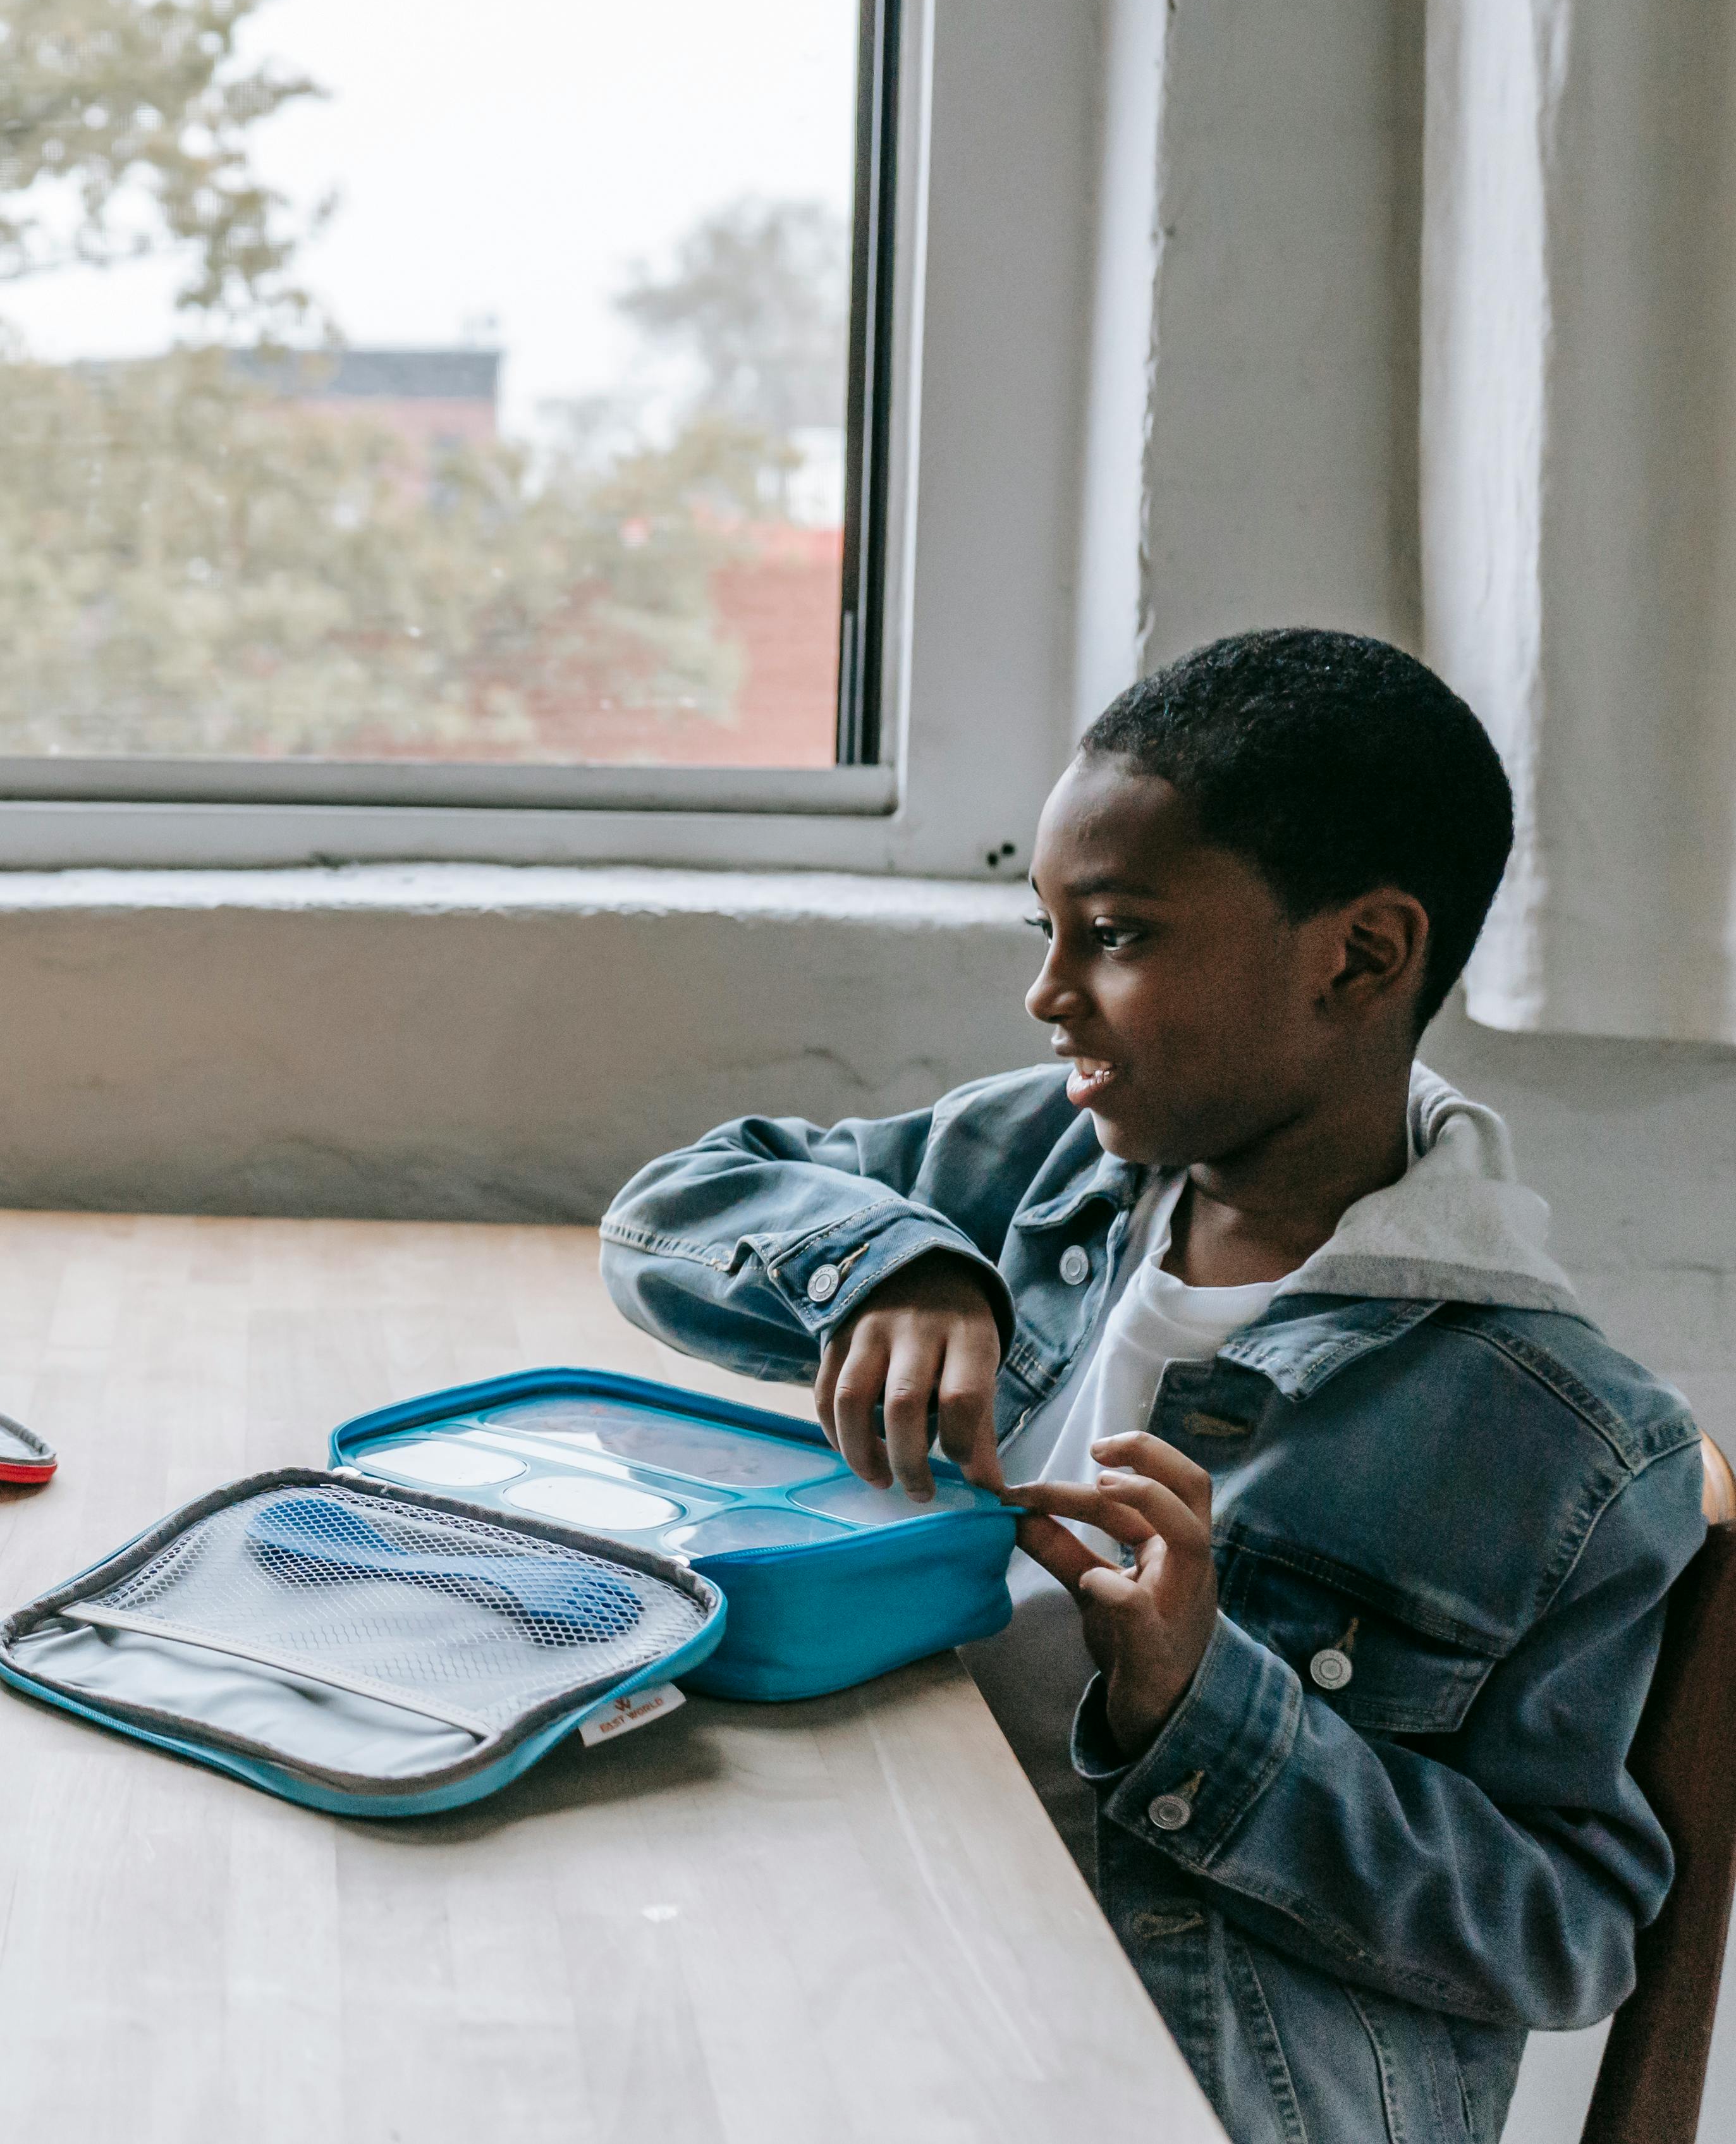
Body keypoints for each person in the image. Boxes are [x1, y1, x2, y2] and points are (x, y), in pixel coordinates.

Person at [598, 629, 1709, 2144]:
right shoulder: (1048, 1165)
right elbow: (679, 1204)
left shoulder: (1561, 1445)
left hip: (1180, 2068)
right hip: (905, 1896)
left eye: (1115, 935)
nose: (1050, 995)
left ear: (1360, 957)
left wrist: (1208, 1703)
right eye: (1047, 929)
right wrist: (892, 1266)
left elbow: (1565, 1934)